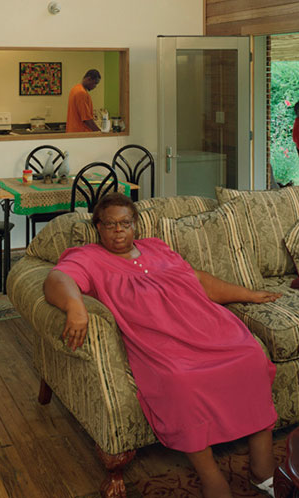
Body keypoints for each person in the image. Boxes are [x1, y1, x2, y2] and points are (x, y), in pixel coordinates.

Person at [45, 193, 282, 498]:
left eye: (125, 223)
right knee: (181, 381)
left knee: (250, 356)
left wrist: (247, 294)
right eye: (110, 224)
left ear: (136, 225)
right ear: (98, 227)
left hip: (207, 326)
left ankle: (262, 467)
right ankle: (212, 479)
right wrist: (75, 307)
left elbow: (198, 280)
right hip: (160, 342)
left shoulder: (156, 247)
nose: (119, 230)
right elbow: (57, 279)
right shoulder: (88, 257)